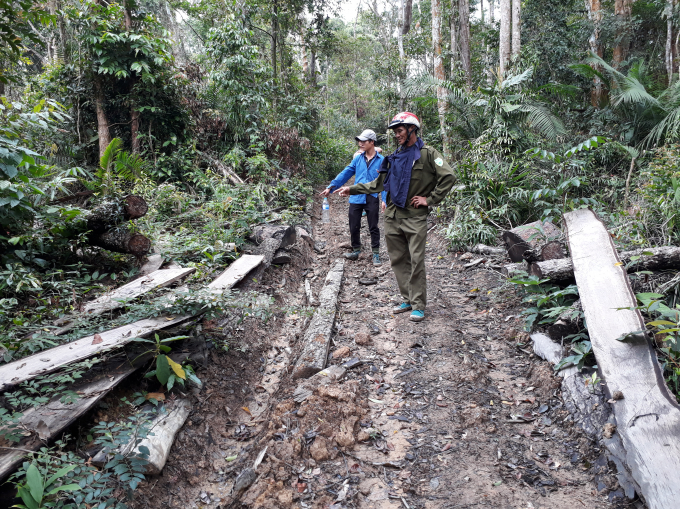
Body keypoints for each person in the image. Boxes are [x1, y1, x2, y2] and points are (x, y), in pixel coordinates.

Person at [338, 112, 455, 322]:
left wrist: (430, 199)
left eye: (400, 131)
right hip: (392, 215)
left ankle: (419, 305)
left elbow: (449, 176)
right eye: (395, 132)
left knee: (416, 259)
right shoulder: (394, 157)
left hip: (414, 216)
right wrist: (352, 189)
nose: (397, 135)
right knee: (398, 259)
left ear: (412, 129)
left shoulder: (428, 154)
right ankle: (407, 299)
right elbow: (377, 184)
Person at [320, 129, 387, 267]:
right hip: (356, 197)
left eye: (364, 141)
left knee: (373, 226)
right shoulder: (358, 159)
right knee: (353, 225)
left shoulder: (382, 161)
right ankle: (356, 250)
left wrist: (384, 199)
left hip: (372, 197)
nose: (360, 143)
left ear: (372, 142)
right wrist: (331, 187)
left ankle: (375, 253)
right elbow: (345, 173)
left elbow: (384, 182)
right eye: (359, 141)